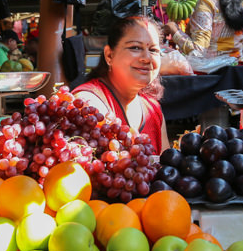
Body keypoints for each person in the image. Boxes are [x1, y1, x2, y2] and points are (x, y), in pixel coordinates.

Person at [73, 15, 170, 153]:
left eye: (153, 50)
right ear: (109, 56)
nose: (147, 58)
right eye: (135, 47)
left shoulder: (153, 109)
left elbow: (165, 167)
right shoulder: (88, 102)